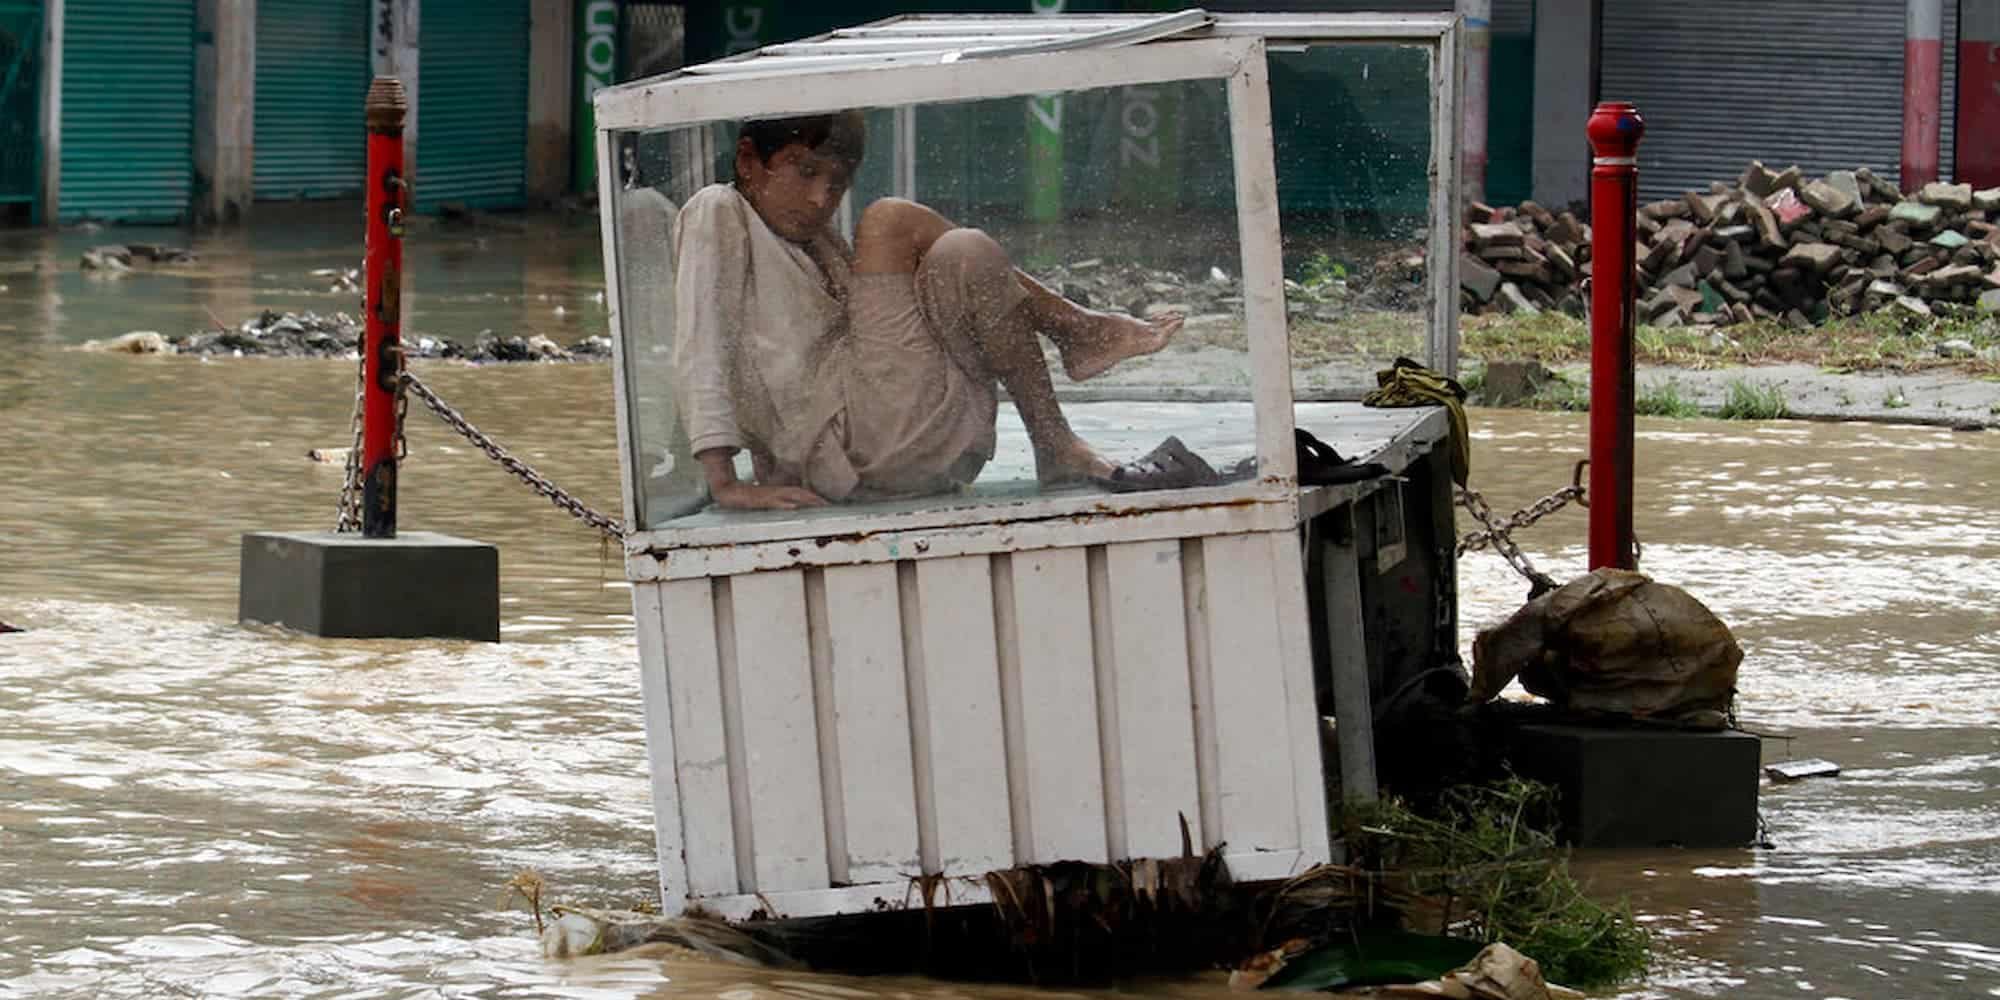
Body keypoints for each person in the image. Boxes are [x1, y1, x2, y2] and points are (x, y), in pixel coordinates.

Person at [670, 111, 1187, 511]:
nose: (819, 199)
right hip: (843, 448)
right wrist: (723, 483)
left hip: (899, 440)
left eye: (836, 184)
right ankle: (1074, 327)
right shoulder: (717, 209)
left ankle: (1054, 442)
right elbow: (701, 341)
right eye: (804, 172)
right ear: (747, 161)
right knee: (890, 219)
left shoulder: (815, 239)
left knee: (965, 250)